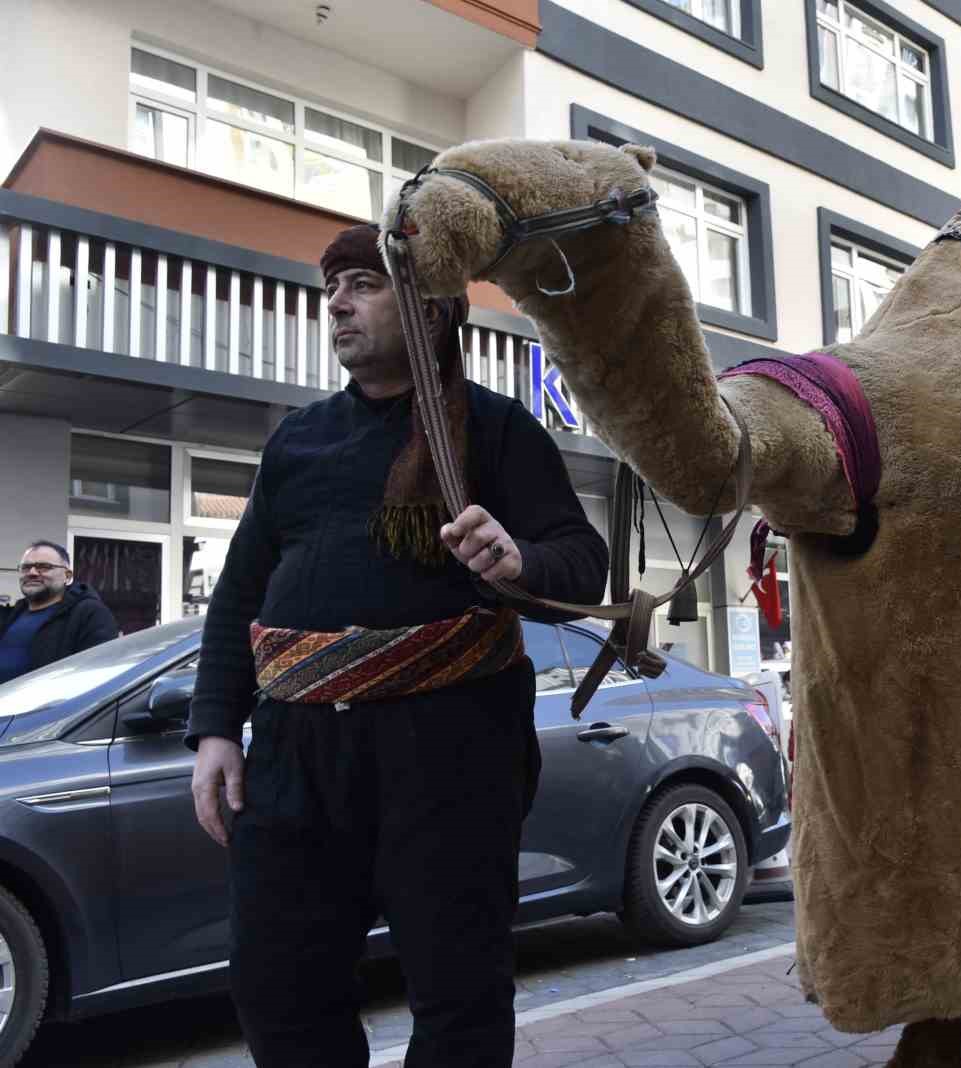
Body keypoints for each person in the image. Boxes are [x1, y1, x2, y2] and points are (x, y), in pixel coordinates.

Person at [186, 224, 608, 1068]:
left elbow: (582, 562)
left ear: (433, 308)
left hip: (450, 753)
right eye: (331, 287)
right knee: (278, 990)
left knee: (460, 1000)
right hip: (297, 757)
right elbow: (239, 596)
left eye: (364, 283)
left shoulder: (497, 429)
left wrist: (520, 561)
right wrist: (216, 728)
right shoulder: (295, 442)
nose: (337, 302)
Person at [0, 541, 119, 684]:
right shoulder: (14, 614)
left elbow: (96, 676)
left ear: (67, 576)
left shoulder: (90, 614)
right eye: (26, 567)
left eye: (44, 567)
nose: (32, 573)